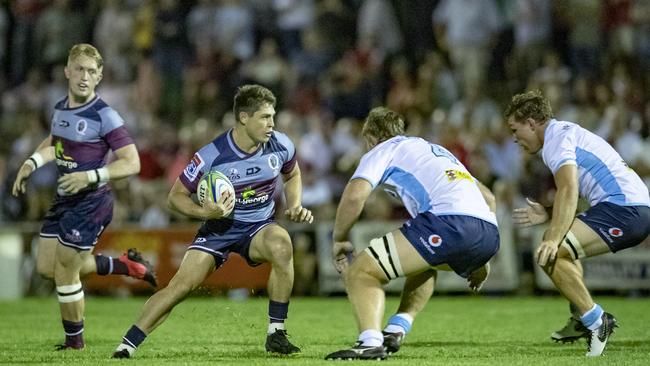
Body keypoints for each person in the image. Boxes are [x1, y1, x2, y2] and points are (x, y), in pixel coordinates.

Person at [112, 84, 313, 359]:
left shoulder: (281, 144)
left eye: (273, 116)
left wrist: (295, 204)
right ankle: (127, 345)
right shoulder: (212, 155)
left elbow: (293, 174)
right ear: (244, 117)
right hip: (219, 228)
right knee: (181, 287)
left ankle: (276, 333)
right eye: (265, 117)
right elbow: (175, 197)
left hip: (258, 226)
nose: (272, 124)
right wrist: (207, 213)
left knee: (282, 246)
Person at [11, 44, 157, 350]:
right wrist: (31, 163)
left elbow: (132, 162)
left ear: (100, 76)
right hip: (65, 197)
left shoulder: (105, 115)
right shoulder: (61, 106)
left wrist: (91, 175)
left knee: (65, 269)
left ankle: (74, 342)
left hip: (92, 202)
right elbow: (55, 143)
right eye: (79, 69)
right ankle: (124, 266)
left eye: (92, 71)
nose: (84, 76)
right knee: (46, 268)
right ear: (67, 71)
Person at [325, 107, 499, 360]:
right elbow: (489, 198)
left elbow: (354, 196)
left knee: (361, 271)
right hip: (489, 233)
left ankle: (369, 342)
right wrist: (481, 258)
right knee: (424, 264)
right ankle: (396, 328)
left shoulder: (384, 149)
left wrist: (339, 238)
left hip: (449, 223)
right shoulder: (434, 150)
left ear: (371, 138)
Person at [506, 90, 650, 356]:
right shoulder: (563, 134)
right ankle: (581, 317)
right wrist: (550, 213)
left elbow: (568, 189)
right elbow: (578, 192)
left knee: (551, 250)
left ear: (531, 123)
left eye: (516, 130)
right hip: (627, 207)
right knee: (561, 249)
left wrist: (552, 235)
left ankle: (595, 321)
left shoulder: (555, 140)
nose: (515, 139)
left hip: (625, 209)